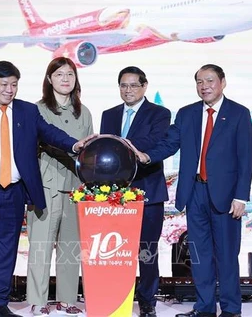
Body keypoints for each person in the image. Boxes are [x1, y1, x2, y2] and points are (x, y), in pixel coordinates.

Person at [0, 60, 94, 317]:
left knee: (6, 251)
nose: (9, 90)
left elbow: (50, 132)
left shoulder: (27, 111)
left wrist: (74, 145)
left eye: (14, 85)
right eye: (4, 84)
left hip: (14, 192)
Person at [130, 64, 252, 317]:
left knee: (227, 256)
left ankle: (231, 310)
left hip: (226, 196)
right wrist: (145, 157)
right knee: (200, 256)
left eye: (209, 81)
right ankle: (204, 308)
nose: (204, 86)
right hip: (194, 192)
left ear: (222, 82)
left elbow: (246, 157)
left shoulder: (238, 113)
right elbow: (169, 144)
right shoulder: (187, 114)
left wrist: (241, 196)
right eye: (199, 81)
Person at [100, 66, 171, 317]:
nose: (127, 90)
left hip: (148, 191)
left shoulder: (159, 113)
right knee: (117, 250)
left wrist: (120, 146)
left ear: (144, 86)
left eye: (133, 85)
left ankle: (147, 299)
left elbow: (155, 142)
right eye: (123, 85)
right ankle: (117, 298)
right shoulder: (108, 115)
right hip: (115, 194)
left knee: (147, 250)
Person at [26, 57, 93, 316]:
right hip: (44, 185)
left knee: (70, 246)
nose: (65, 79)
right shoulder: (37, 110)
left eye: (70, 74)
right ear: (49, 79)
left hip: (76, 187)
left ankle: (67, 299)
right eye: (59, 74)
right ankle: (38, 300)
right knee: (41, 245)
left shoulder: (83, 111)